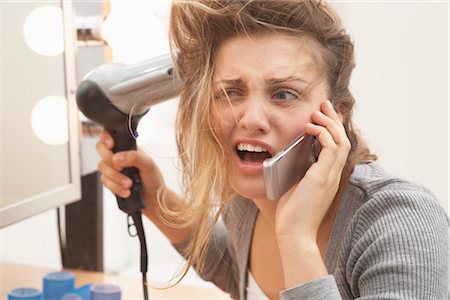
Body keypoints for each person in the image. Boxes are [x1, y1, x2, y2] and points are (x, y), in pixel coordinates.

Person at [96, 0, 449, 299]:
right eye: (231, 92)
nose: (250, 119)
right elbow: (238, 267)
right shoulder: (245, 201)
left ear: (336, 115)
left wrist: (296, 239)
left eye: (283, 94)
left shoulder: (399, 224)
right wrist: (157, 198)